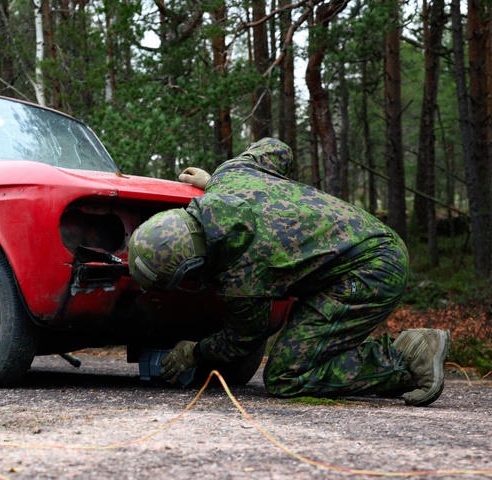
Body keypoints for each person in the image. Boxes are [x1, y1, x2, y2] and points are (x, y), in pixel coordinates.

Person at [128, 138, 450, 406]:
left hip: (372, 269)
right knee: (303, 349)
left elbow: (242, 340)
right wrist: (218, 182)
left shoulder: (242, 275)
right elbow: (276, 147)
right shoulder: (231, 174)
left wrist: (193, 353)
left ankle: (407, 358)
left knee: (286, 376)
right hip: (365, 243)